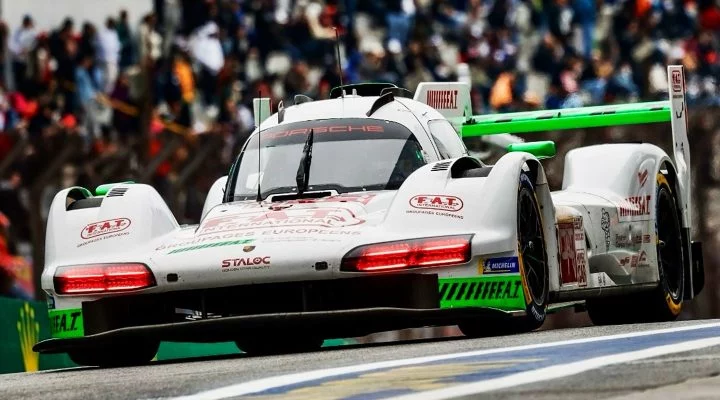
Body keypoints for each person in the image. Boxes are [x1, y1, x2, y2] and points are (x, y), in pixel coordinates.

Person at [9, 15, 36, 95]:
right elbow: (11, 44)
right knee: (17, 81)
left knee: (26, 80)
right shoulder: (17, 31)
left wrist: (27, 49)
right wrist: (19, 50)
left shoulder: (32, 32)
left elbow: (34, 44)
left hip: (27, 61)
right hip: (17, 60)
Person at [98, 18, 121, 93]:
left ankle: (108, 95)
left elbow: (117, 46)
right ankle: (104, 95)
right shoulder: (102, 33)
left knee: (112, 79)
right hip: (105, 60)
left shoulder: (114, 33)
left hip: (113, 60)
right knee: (106, 79)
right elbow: (102, 46)